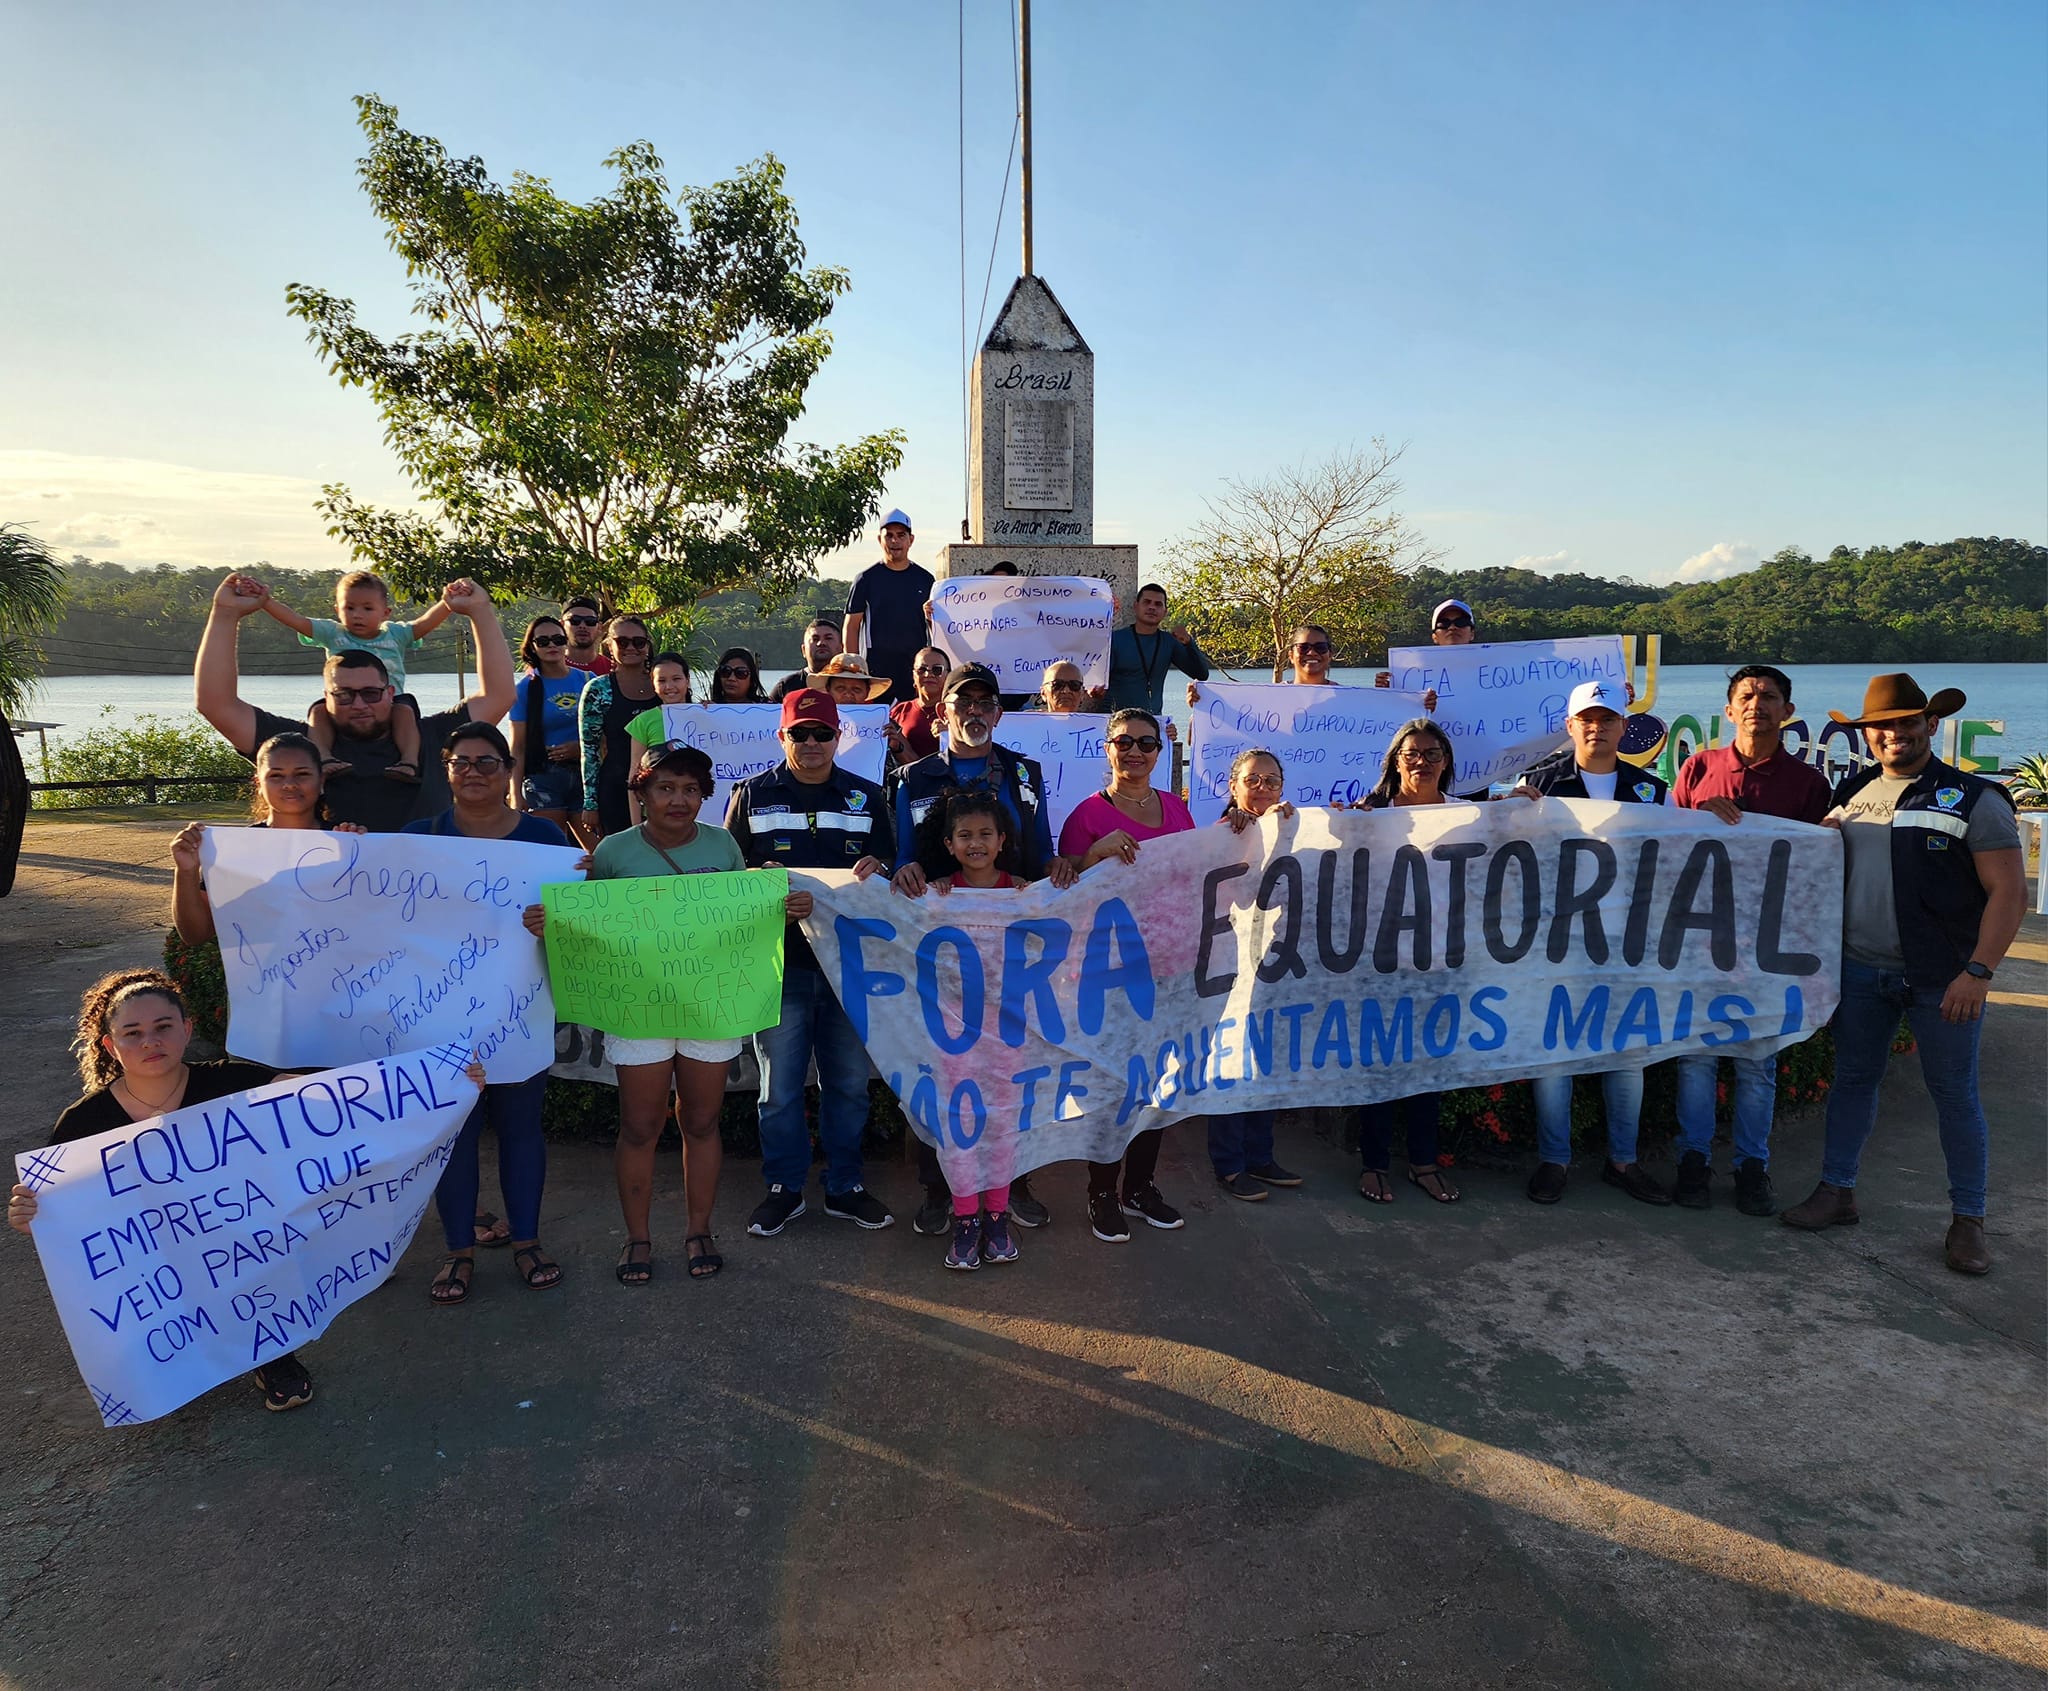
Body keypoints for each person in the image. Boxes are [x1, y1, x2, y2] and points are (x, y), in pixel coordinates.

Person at [1781, 674, 2023, 1275]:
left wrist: (1979, 972)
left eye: (1906, 723)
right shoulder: (1854, 789)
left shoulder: (1974, 797)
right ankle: (1837, 1191)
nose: (1894, 735)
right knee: (1853, 1082)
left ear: (1930, 726)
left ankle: (1969, 1221)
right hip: (1862, 970)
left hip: (1944, 979)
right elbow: (1814, 858)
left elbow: (2010, 894)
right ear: (1868, 735)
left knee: (1954, 1097)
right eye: (1882, 726)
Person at [529, 742, 766, 1284]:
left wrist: (781, 903)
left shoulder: (724, 845)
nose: (678, 799)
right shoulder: (612, 852)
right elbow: (588, 927)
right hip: (637, 1007)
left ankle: (698, 1228)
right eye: (665, 787)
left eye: (689, 789)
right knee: (639, 1126)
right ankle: (637, 1236)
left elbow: (741, 920)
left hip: (709, 1002)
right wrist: (555, 919)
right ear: (643, 792)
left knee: (701, 1121)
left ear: (705, 795)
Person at [11, 975, 298, 1410]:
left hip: (237, 1242)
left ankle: (273, 1354)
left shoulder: (232, 1083)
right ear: (110, 1045)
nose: (150, 1041)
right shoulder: (83, 1125)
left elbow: (323, 1102)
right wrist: (33, 1218)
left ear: (187, 1029)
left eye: (163, 1027)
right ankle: (168, 1359)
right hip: (153, 1260)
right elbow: (66, 1224)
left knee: (250, 1261)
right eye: (132, 1033)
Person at [890, 663, 1074, 1232]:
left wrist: (1057, 868)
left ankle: (1011, 1183)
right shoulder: (911, 777)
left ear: (997, 711)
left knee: (1008, 1068)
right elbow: (902, 856)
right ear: (941, 710)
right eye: (961, 701)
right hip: (938, 950)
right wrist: (909, 872)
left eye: (983, 702)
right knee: (938, 1066)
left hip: (1009, 951)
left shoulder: (1024, 772)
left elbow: (1039, 849)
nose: (973, 711)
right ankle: (937, 1190)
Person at [401, 723, 570, 1301]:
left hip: (520, 1009)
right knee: (455, 1133)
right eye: (461, 761)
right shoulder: (415, 841)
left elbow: (582, 925)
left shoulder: (546, 841)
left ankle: (527, 1240)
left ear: (509, 771)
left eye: (488, 762)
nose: (474, 771)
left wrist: (561, 923)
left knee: (522, 1130)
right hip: (438, 1014)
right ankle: (457, 1250)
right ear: (445, 769)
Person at [725, 690, 897, 1237]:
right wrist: (763, 888)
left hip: (850, 967)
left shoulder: (868, 797)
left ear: (838, 736)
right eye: (801, 733)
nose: (813, 743)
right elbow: (731, 879)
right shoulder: (750, 796)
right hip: (782, 968)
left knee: (847, 1085)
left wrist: (883, 866)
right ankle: (785, 1187)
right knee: (779, 1089)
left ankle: (845, 1185)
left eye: (823, 732)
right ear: (783, 736)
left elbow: (895, 871)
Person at [1667, 665, 1833, 1215]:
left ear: (1787, 711)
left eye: (1769, 696)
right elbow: (1662, 848)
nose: (1756, 703)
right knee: (1695, 1057)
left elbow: (1817, 872)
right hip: (1698, 941)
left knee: (1758, 1059)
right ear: (1730, 709)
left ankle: (1751, 1167)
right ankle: (1693, 1160)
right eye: (1746, 695)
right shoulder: (1697, 768)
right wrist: (1696, 816)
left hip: (1769, 947)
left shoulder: (1809, 784)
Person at [196, 572, 514, 834]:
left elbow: (499, 695)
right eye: (344, 695)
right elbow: (216, 704)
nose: (358, 703)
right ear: (326, 697)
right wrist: (225, 614)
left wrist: (481, 611)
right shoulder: (298, 748)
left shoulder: (432, 738)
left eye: (371, 693)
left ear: (391, 693)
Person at [1514, 681, 1672, 1206]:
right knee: (1553, 1055)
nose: (1596, 727)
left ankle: (1622, 1161)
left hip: (1627, 944)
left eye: (1607, 719)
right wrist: (1512, 813)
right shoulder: (1537, 785)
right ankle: (1554, 1160)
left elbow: (1674, 862)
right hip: (1555, 943)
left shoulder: (1653, 791)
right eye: (1587, 718)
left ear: (1624, 727)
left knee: (1626, 1055)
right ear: (1570, 725)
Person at [1057, 708, 1197, 1240]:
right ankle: (1101, 1191)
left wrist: (1239, 828)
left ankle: (1140, 1187)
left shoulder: (1178, 810)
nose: (1135, 752)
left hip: (1169, 966)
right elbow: (1062, 890)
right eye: (1124, 742)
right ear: (1108, 749)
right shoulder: (1086, 814)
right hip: (1109, 971)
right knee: (1114, 1086)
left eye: (1145, 743)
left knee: (1159, 1083)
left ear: (1159, 752)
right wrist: (1094, 854)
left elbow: (1197, 869)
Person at [893, 792, 1028, 1269]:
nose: (976, 844)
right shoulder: (935, 895)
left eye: (985, 834)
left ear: (1002, 841)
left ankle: (997, 1215)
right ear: (948, 844)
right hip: (952, 1032)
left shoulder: (1026, 892)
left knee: (1004, 1120)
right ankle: (966, 1218)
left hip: (1010, 1030)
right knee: (960, 1123)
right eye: (965, 835)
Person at [1348, 721, 1466, 1206]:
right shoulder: (1370, 816)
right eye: (1412, 753)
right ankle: (1373, 1164)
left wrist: (1524, 802)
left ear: (1446, 761)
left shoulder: (1468, 814)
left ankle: (1423, 1162)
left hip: (1442, 961)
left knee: (1429, 1068)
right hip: (1382, 961)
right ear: (1396, 760)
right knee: (1379, 1065)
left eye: (1432, 753)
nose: (1422, 761)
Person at [250, 568, 452, 783]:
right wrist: (266, 602)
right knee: (318, 711)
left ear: (385, 612)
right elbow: (296, 621)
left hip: (390, 700)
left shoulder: (396, 634)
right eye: (350, 607)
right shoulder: (332, 633)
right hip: (343, 700)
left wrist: (448, 603)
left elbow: (424, 624)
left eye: (367, 608)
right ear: (337, 610)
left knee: (404, 710)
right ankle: (324, 759)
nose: (357, 614)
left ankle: (409, 762)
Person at [1208, 748, 1302, 1201]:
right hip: (1229, 964)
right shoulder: (1221, 834)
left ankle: (1260, 1156)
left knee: (1267, 1060)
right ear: (1234, 786)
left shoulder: (1293, 828)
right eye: (1252, 780)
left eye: (1271, 781)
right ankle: (1228, 1163)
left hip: (1277, 962)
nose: (1262, 788)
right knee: (1231, 1062)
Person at [576, 616, 658, 840]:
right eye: (622, 642)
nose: (631, 647)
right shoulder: (598, 689)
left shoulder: (664, 683)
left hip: (664, 789)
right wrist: (590, 804)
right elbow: (590, 751)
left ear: (648, 645)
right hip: (615, 788)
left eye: (639, 642)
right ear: (609, 645)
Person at [842, 508, 935, 703]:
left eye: (901, 535)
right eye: (889, 536)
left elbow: (936, 627)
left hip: (914, 672)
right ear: (879, 540)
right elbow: (851, 625)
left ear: (911, 539)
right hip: (876, 673)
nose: (895, 541)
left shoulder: (926, 580)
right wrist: (853, 671)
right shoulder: (865, 579)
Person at [508, 615, 588, 838]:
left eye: (557, 639)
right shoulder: (524, 689)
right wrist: (515, 793)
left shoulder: (588, 680)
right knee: (550, 847)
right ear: (533, 647)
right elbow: (518, 746)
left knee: (596, 854)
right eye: (543, 641)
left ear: (566, 641)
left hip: (585, 776)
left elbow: (606, 735)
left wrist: (579, 748)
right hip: (543, 778)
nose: (552, 645)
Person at [1106, 583, 1209, 731]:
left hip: (1151, 722)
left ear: (1165, 611)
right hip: (1116, 722)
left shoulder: (1168, 642)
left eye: (1158, 604)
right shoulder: (1116, 639)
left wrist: (1189, 643)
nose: (1152, 607)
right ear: (1136, 606)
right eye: (1147, 602)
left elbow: (1201, 674)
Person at [1374, 598, 1475, 711]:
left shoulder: (1495, 668)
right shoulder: (1411, 673)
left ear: (1472, 633)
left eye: (1461, 622)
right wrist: (1388, 694)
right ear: (1434, 637)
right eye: (1444, 624)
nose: (1452, 628)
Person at [887, 646, 951, 763]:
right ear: (913, 675)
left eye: (937, 670)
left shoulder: (957, 712)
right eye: (922, 669)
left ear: (948, 676)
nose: (928, 674)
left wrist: (954, 733)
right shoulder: (899, 710)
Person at [771, 619, 844, 701]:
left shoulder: (852, 683)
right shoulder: (787, 686)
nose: (821, 643)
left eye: (828, 638)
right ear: (803, 650)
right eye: (815, 639)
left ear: (841, 648)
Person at [809, 653, 893, 707]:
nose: (848, 695)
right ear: (828, 690)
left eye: (856, 689)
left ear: (867, 692)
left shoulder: (881, 722)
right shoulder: (815, 722)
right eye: (840, 688)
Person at [560, 596, 614, 675]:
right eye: (575, 620)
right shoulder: (547, 668)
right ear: (562, 625)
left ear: (599, 627)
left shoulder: (612, 671)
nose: (582, 626)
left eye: (590, 621)